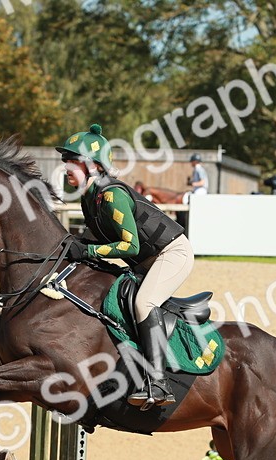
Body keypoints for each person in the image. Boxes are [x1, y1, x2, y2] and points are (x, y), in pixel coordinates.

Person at [57, 123, 193, 410]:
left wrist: (88, 249)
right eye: (65, 160)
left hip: (172, 253)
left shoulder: (111, 195)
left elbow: (129, 245)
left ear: (93, 166)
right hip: (146, 260)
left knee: (144, 302)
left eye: (72, 161)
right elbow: (92, 239)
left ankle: (158, 383)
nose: (65, 166)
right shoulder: (89, 196)